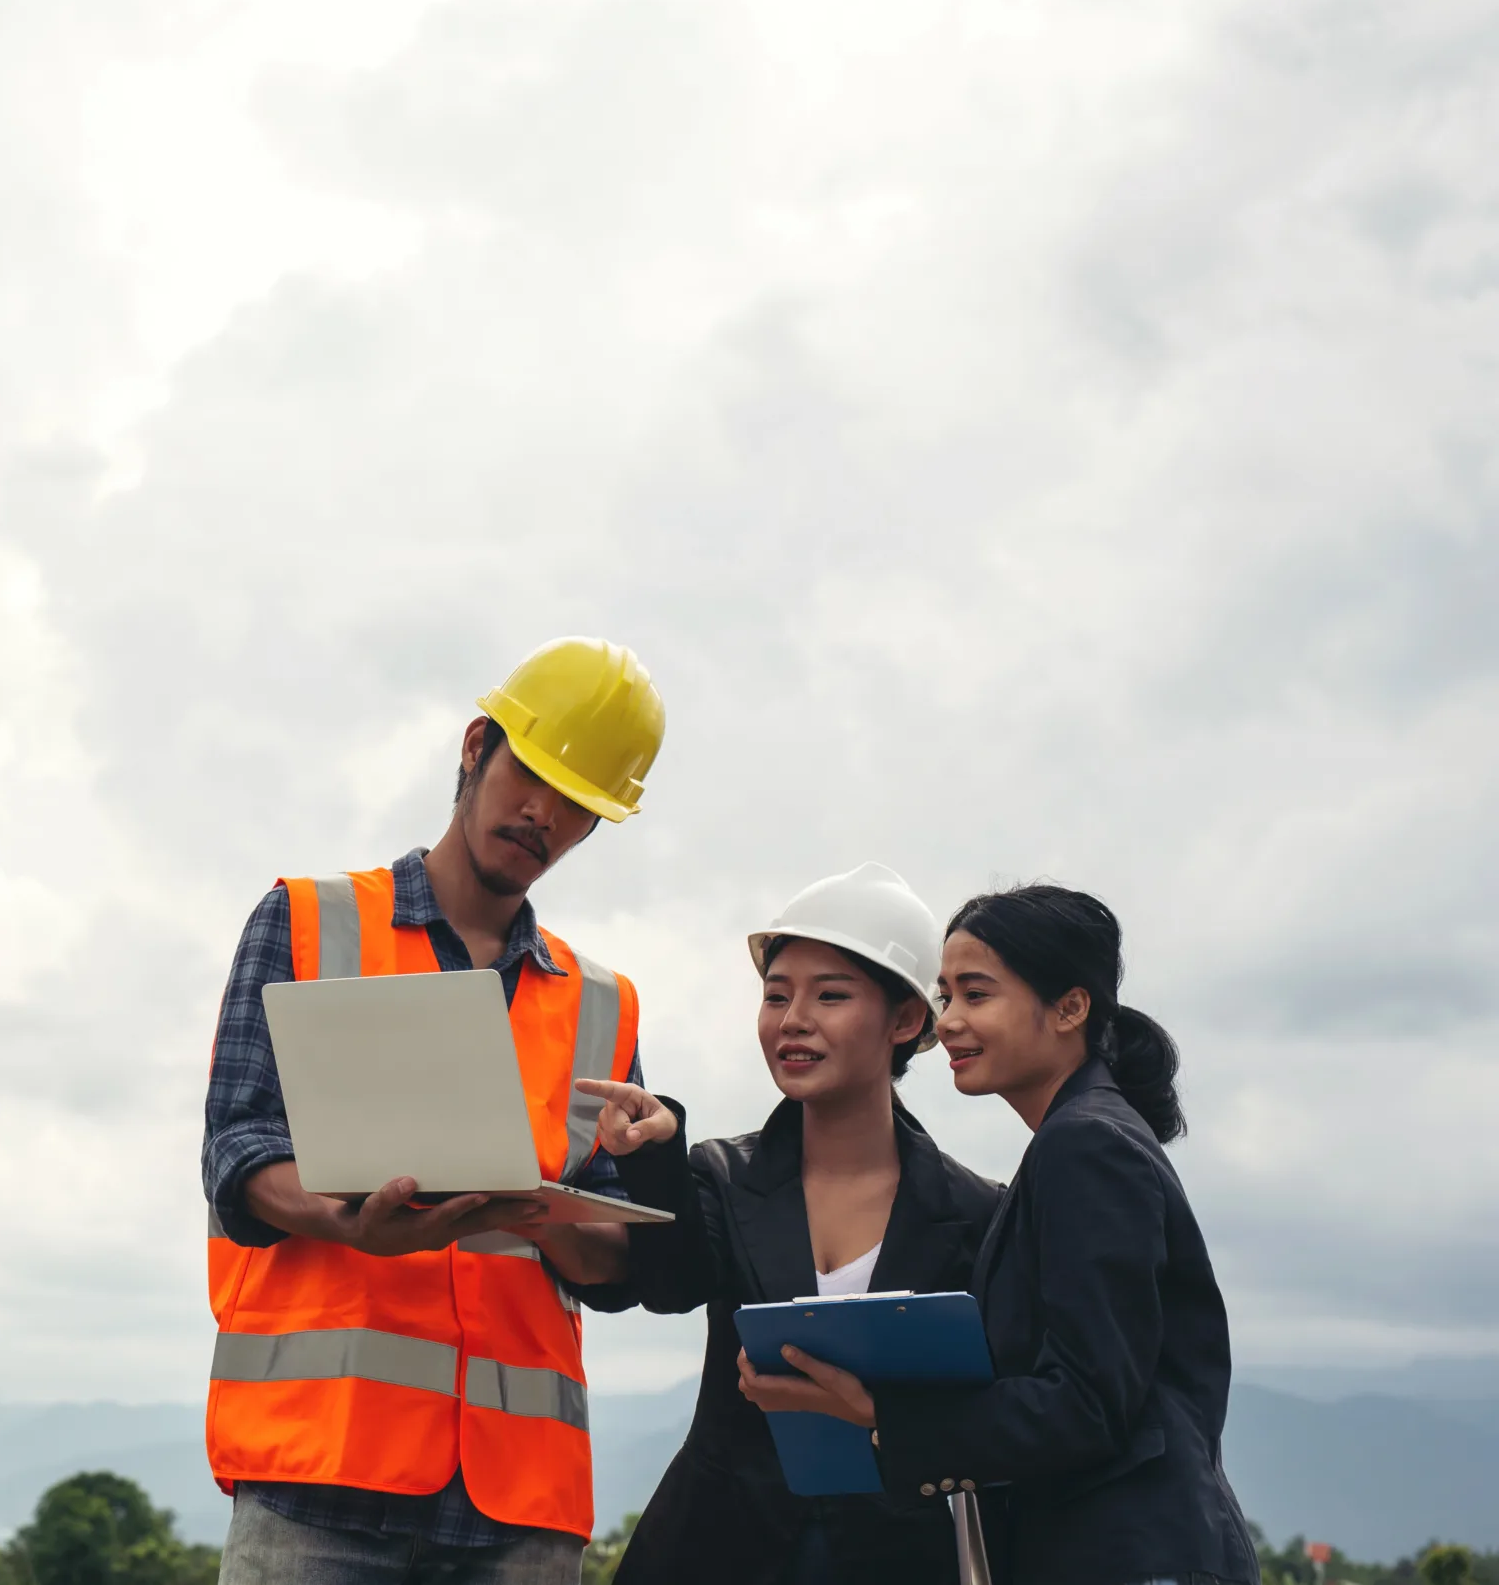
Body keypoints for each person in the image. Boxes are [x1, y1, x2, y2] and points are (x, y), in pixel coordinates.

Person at [201, 638, 667, 1585]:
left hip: (520, 1506)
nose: (544, 813)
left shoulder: (603, 1003)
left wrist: (547, 1213)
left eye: (579, 802)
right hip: (320, 1479)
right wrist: (349, 1223)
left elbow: (621, 1267)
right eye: (531, 775)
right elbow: (239, 1147)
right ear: (474, 747)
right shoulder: (307, 920)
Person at [737, 884, 1259, 1585]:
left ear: (1070, 1007)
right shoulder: (1073, 1143)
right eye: (946, 995)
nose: (948, 1021)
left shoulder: (1086, 1147)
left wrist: (879, 1409)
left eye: (977, 994)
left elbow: (1089, 1404)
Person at [580, 864, 1004, 1585]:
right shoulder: (720, 1172)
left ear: (905, 1019)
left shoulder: (978, 1211)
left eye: (830, 994)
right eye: (776, 995)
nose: (792, 1018)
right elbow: (671, 1283)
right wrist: (657, 1157)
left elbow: (989, 1409)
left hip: (894, 1558)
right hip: (714, 1550)